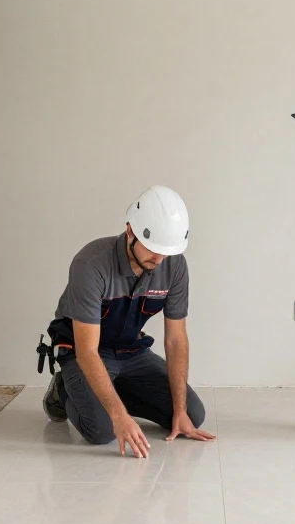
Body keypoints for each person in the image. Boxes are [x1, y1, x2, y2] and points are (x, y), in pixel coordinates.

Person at [38, 186, 215, 457]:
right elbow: (87, 350)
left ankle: (108, 390)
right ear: (130, 230)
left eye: (166, 252)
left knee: (193, 414)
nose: (159, 260)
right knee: (101, 431)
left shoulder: (174, 265)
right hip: (85, 351)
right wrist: (118, 415)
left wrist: (179, 410)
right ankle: (64, 388)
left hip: (132, 352)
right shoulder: (91, 264)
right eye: (153, 249)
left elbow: (176, 339)